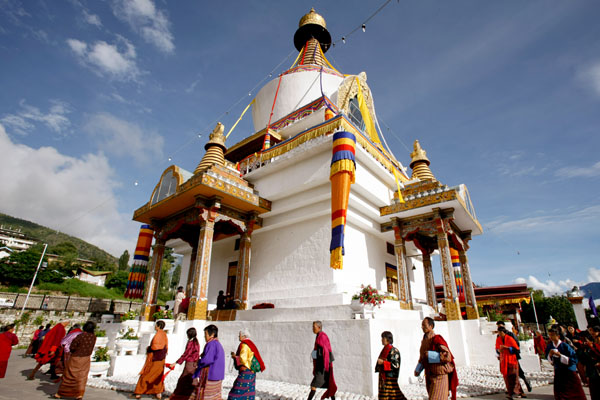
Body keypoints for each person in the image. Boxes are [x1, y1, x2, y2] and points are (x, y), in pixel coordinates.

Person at [415, 317, 458, 400]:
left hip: (440, 375)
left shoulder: (437, 339)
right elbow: (422, 358)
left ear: (431, 326)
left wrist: (431, 355)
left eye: (424, 325)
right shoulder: (424, 341)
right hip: (430, 375)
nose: (422, 327)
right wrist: (418, 369)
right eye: (422, 326)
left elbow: (447, 356)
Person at [54, 321, 96, 399]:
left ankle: (60, 393)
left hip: (75, 358)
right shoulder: (93, 337)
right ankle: (80, 394)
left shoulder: (80, 336)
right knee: (82, 376)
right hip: (86, 359)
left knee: (69, 375)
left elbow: (72, 347)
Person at [545, 327, 586, 400]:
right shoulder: (550, 346)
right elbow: (548, 358)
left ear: (558, 336)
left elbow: (574, 359)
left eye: (553, 335)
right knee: (561, 391)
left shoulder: (565, 345)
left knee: (575, 390)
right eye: (550, 335)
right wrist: (550, 355)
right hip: (558, 370)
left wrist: (560, 355)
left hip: (569, 370)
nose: (551, 337)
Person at [133, 320, 169, 399]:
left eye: (156, 325)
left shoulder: (158, 335)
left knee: (146, 374)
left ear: (159, 326)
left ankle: (139, 392)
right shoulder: (164, 334)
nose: (155, 327)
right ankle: (158, 393)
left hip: (154, 359)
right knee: (158, 376)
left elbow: (155, 347)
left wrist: (149, 348)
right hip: (161, 358)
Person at [228, 329, 265, 400]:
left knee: (235, 393)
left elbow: (243, 359)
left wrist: (235, 357)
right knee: (247, 392)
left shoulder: (244, 345)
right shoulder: (250, 344)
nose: (239, 336)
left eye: (240, 335)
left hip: (246, 371)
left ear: (244, 336)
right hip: (251, 372)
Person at [191, 324, 225, 400]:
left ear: (212, 334)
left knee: (206, 395)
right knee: (215, 396)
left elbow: (208, 359)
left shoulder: (211, 344)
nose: (204, 336)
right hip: (218, 374)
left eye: (205, 334)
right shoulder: (217, 343)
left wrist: (199, 362)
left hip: (211, 374)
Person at [496, 321, 531, 392]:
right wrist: (498, 352)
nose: (499, 328)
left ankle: (524, 382)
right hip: (504, 358)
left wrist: (509, 349)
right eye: (498, 327)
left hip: (512, 357)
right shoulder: (498, 336)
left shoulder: (510, 334)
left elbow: (516, 345)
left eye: (500, 326)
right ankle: (512, 389)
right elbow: (497, 346)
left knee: (517, 372)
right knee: (508, 374)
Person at [308, 321, 337, 400]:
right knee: (329, 384)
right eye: (312, 327)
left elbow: (326, 351)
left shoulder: (322, 336)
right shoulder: (319, 335)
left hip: (323, 366)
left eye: (314, 327)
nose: (313, 329)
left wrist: (323, 364)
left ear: (319, 327)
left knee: (313, 385)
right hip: (323, 365)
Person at [169, 327, 200, 400]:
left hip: (189, 363)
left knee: (183, 380)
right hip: (194, 363)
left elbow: (186, 354)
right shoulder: (196, 342)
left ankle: (177, 396)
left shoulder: (191, 342)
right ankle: (193, 395)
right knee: (192, 379)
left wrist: (176, 363)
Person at [375, 331, 406, 400]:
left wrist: (383, 362)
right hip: (383, 378)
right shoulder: (384, 350)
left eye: (383, 338)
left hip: (390, 379)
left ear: (387, 339)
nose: (381, 340)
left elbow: (395, 365)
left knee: (394, 396)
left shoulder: (394, 351)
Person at [496, 327, 524, 399]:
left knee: (514, 376)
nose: (499, 334)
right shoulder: (498, 339)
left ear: (504, 332)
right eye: (498, 333)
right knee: (507, 377)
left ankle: (516, 392)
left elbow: (516, 349)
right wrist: (499, 351)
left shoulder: (510, 339)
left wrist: (507, 348)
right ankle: (510, 392)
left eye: (500, 332)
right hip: (503, 360)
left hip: (511, 360)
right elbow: (497, 349)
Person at [580, 333, 600, 399]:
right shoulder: (586, 349)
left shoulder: (596, 347)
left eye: (586, 340)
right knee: (594, 390)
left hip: (597, 371)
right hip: (591, 371)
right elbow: (583, 361)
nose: (585, 342)